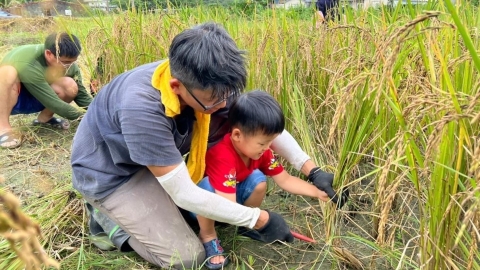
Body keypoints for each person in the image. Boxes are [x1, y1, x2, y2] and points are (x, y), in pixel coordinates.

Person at [71, 22, 348, 269]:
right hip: (113, 173)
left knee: (193, 214)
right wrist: (260, 220)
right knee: (186, 257)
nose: (225, 105)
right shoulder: (141, 108)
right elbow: (184, 194)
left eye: (227, 96)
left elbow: (259, 125)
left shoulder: (214, 82)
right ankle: (107, 219)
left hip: (156, 161)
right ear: (177, 87)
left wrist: (311, 170)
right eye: (215, 102)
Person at [193, 90, 348, 269]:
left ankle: (246, 225)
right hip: (205, 207)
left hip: (232, 196)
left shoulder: (261, 151)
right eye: (262, 143)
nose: (267, 148)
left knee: (258, 180)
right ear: (237, 135)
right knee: (207, 189)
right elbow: (227, 203)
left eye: (270, 142)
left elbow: (285, 180)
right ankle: (208, 235)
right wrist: (262, 219)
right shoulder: (222, 155)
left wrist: (319, 192)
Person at [0, 32, 92, 149]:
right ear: (49, 54)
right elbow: (53, 102)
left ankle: (44, 120)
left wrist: (101, 113)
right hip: (11, 99)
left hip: (40, 95)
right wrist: (87, 118)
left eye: (73, 62)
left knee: (70, 85)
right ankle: (3, 128)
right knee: (7, 72)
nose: (69, 66)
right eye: (65, 62)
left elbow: (82, 96)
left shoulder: (69, 64)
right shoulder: (29, 62)